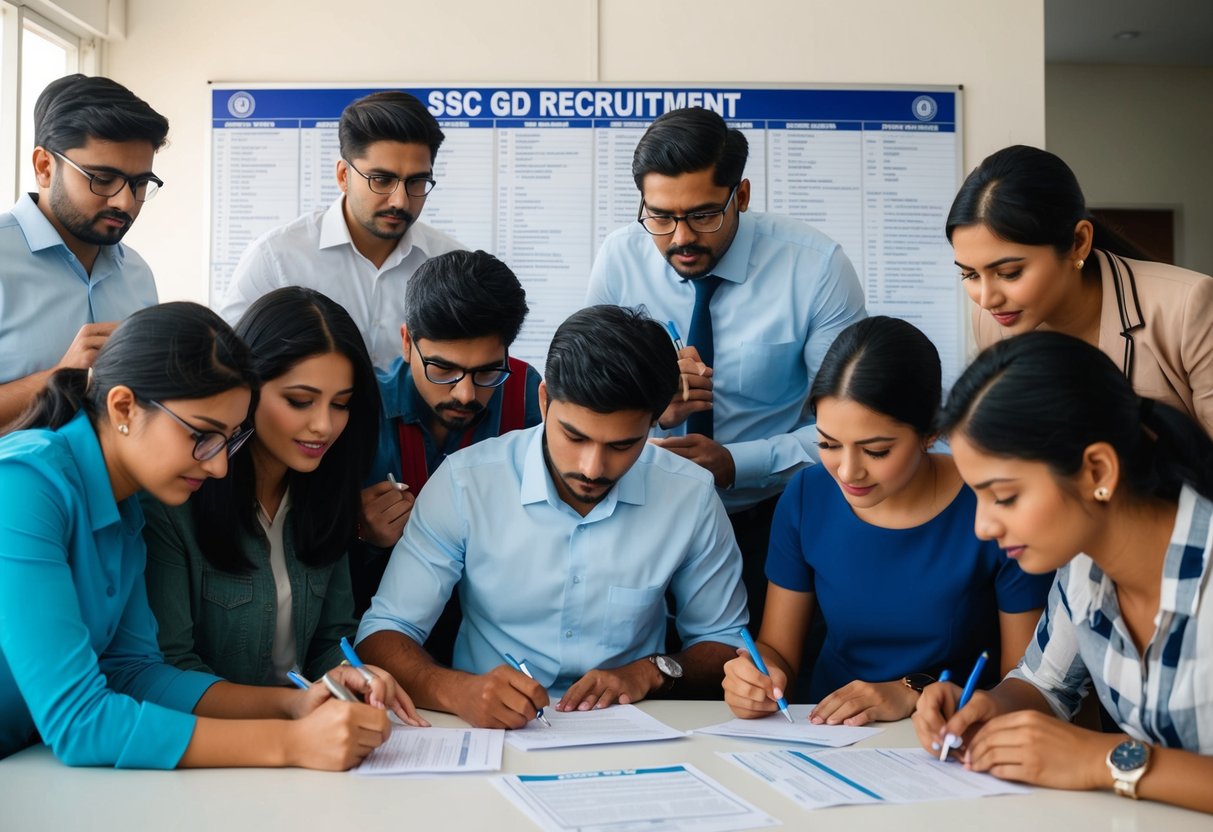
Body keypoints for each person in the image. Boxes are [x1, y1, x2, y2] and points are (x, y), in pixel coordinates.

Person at [0, 302, 421, 770]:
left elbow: (136, 673)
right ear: (123, 407)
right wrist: (290, 743)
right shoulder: (24, 482)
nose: (219, 465)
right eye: (202, 435)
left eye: (229, 439)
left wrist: (294, 704)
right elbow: (80, 722)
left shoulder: (125, 502)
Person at [357, 305, 748, 729]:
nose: (592, 467)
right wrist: (457, 690)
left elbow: (727, 642)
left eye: (622, 445)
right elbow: (382, 635)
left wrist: (651, 671)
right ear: (544, 401)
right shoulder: (465, 483)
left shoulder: (688, 494)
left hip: (633, 729)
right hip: (488, 730)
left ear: (653, 424)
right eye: (574, 436)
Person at [586, 107, 866, 630]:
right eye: (660, 217)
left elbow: (852, 429)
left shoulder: (817, 267)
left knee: (769, 679)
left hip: (774, 516)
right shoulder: (619, 259)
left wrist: (737, 463)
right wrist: (650, 406)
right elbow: (586, 403)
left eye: (703, 216)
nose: (679, 238)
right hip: (643, 511)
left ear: (741, 196)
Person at [914, 331, 1213, 815]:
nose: (983, 526)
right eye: (977, 496)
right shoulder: (1082, 566)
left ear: (1097, 471)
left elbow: (1092, 758)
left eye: (1005, 496)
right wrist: (990, 709)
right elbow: (1045, 686)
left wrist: (1100, 759)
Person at [722, 317, 1051, 725]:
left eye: (875, 450)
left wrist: (912, 691)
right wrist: (755, 677)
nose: (846, 471)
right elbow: (779, 652)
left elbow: (1030, 686)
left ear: (931, 432)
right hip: (823, 732)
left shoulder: (991, 508)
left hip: (953, 735)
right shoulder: (808, 494)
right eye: (827, 444)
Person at [143, 288, 383, 687]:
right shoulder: (176, 499)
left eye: (340, 404)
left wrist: (356, 679)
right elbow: (168, 668)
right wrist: (294, 713)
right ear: (247, 389)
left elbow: (331, 641)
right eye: (300, 400)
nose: (324, 425)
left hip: (306, 733)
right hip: (218, 740)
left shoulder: (327, 491)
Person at [948, 144, 1213, 436]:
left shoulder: (1189, 307)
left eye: (1009, 273)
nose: (987, 300)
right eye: (969, 274)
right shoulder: (992, 322)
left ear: (1078, 242)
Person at [353, 250, 542, 618]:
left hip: (496, 618)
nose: (466, 394)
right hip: (376, 613)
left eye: (488, 371)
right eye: (443, 369)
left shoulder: (526, 394)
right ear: (407, 343)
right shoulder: (362, 408)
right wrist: (360, 535)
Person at [217, 90, 463, 370]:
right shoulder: (275, 258)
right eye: (381, 180)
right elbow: (229, 368)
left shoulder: (452, 264)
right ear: (343, 176)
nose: (400, 201)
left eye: (417, 181)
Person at [0, 74, 168, 427]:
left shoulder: (138, 274)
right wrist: (62, 376)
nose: (125, 201)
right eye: (102, 179)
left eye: (139, 183)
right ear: (44, 167)